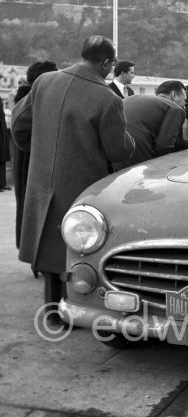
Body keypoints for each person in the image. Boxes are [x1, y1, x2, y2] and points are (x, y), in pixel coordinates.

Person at [11, 36, 135, 319]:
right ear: (105, 63)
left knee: (50, 247)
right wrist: (131, 142)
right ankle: (75, 308)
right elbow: (118, 150)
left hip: (42, 180)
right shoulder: (108, 99)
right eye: (112, 64)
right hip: (83, 186)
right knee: (79, 246)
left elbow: (19, 125)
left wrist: (39, 151)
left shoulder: (44, 82)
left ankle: (52, 310)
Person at [13, 61, 58, 249]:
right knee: (28, 204)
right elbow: (21, 131)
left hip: (32, 156)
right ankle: (30, 247)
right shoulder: (31, 96)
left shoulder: (37, 94)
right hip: (29, 158)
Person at [114, 80, 188, 170]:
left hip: (114, 156)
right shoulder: (175, 109)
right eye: (185, 100)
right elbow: (163, 147)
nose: (185, 106)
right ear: (173, 95)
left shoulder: (132, 98)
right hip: (138, 163)